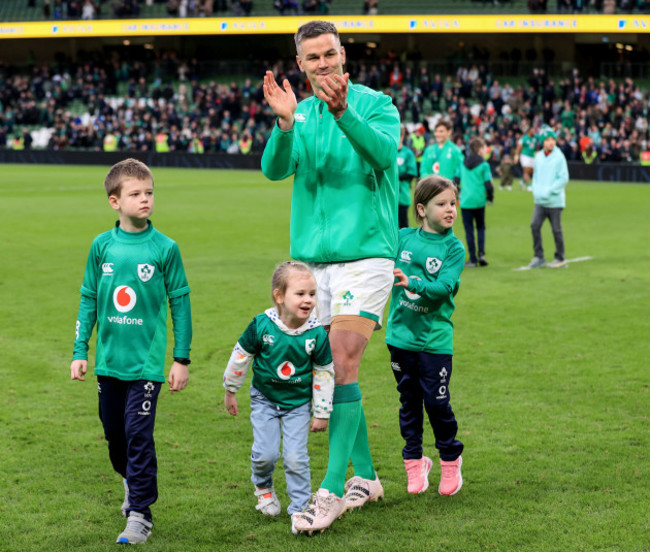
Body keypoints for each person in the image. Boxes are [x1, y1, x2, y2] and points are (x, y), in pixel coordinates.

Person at [261, 20, 400, 534]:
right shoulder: (301, 116)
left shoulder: (376, 105)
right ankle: (366, 476)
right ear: (300, 64)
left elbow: (385, 156)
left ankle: (331, 490)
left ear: (344, 54)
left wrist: (344, 114)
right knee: (334, 370)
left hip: (366, 256)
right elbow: (275, 171)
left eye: (329, 54)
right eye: (312, 58)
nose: (323, 64)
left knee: (341, 359)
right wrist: (283, 125)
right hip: (312, 265)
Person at [70, 158, 192, 544]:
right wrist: (80, 350)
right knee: (115, 435)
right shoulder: (101, 246)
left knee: (139, 435)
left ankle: (140, 513)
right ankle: (130, 483)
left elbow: (180, 303)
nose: (145, 200)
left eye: (149, 193)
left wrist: (181, 358)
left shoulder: (165, 248)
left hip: (146, 366)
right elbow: (88, 298)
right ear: (114, 201)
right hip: (109, 363)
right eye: (136, 194)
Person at [223, 261, 335, 533]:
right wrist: (230, 389)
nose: (308, 300)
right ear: (279, 296)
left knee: (296, 457)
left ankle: (300, 511)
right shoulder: (262, 325)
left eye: (312, 293)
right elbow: (241, 356)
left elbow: (324, 372)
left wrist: (321, 411)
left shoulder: (317, 333)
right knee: (265, 454)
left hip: (298, 404)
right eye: (300, 294)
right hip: (264, 399)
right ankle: (263, 487)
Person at [385, 175, 465, 497]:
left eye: (453, 203)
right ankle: (415, 461)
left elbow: (442, 289)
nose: (450, 210)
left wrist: (412, 283)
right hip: (400, 338)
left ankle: (450, 459)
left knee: (437, 403)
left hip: (434, 342)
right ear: (421, 208)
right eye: (441, 204)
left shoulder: (453, 248)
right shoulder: (402, 239)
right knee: (409, 403)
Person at [527, 128, 570, 269]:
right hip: (540, 200)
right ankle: (539, 256)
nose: (551, 142)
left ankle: (560, 258)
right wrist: (536, 191)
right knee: (534, 225)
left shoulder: (559, 157)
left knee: (556, 229)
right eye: (547, 140)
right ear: (542, 142)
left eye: (552, 139)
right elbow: (536, 176)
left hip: (555, 201)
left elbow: (564, 178)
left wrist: (549, 191)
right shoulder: (539, 156)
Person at [459, 137, 494, 268]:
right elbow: (488, 184)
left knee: (469, 230)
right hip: (479, 201)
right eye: (484, 148)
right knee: (480, 228)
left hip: (466, 201)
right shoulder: (484, 165)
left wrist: (457, 195)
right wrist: (490, 197)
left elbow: (456, 180)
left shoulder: (463, 163)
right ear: (480, 149)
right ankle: (481, 254)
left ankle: (472, 259)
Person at [419, 119, 464, 186]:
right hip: (430, 189)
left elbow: (461, 167)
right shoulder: (429, 150)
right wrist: (427, 181)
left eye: (441, 131)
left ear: (449, 132)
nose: (438, 134)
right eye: (436, 131)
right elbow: (423, 168)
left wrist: (455, 181)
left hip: (448, 189)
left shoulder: (455, 150)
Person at [397, 125, 418, 229]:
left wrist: (397, 177)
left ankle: (403, 245)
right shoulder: (387, 151)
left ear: (401, 136)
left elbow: (412, 172)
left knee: (403, 225)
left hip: (402, 195)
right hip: (387, 196)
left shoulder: (408, 153)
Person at [514, 125, 537, 191]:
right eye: (533, 130)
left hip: (532, 156)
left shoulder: (535, 138)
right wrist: (516, 157)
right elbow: (518, 148)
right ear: (529, 131)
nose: (534, 132)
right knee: (526, 170)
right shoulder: (524, 138)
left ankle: (523, 182)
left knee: (531, 171)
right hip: (525, 156)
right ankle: (528, 186)